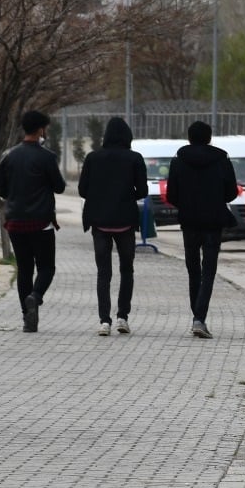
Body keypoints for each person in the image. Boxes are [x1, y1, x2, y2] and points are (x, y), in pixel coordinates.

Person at [0, 109, 67, 332]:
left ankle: (27, 318)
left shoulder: (9, 156)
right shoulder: (47, 157)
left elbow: (0, 189)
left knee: (24, 269)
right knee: (46, 267)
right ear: (40, 130)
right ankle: (35, 297)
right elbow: (60, 186)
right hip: (41, 222)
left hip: (15, 221)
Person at [165, 120, 238, 339]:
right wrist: (215, 199)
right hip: (214, 222)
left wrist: (187, 204)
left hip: (189, 221)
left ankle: (197, 316)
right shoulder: (222, 161)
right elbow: (231, 192)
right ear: (209, 137)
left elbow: (171, 194)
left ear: (189, 138)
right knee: (209, 271)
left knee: (192, 269)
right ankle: (199, 318)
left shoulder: (178, 162)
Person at [78, 117, 148, 336]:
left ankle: (104, 321)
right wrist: (127, 197)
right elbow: (143, 191)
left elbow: (82, 190)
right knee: (127, 270)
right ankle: (122, 317)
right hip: (125, 223)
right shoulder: (134, 158)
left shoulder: (93, 158)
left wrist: (100, 198)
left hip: (100, 223)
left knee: (103, 273)